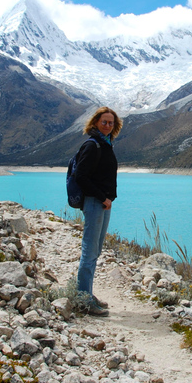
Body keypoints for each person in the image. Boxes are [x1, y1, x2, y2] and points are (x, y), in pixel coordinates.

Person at [74, 106, 122, 316]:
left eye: (111, 123)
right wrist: (102, 197)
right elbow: (80, 176)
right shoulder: (92, 145)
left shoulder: (106, 144)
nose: (108, 125)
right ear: (95, 123)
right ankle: (83, 299)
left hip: (104, 203)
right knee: (89, 251)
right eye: (104, 122)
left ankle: (86, 293)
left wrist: (107, 198)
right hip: (95, 203)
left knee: (96, 250)